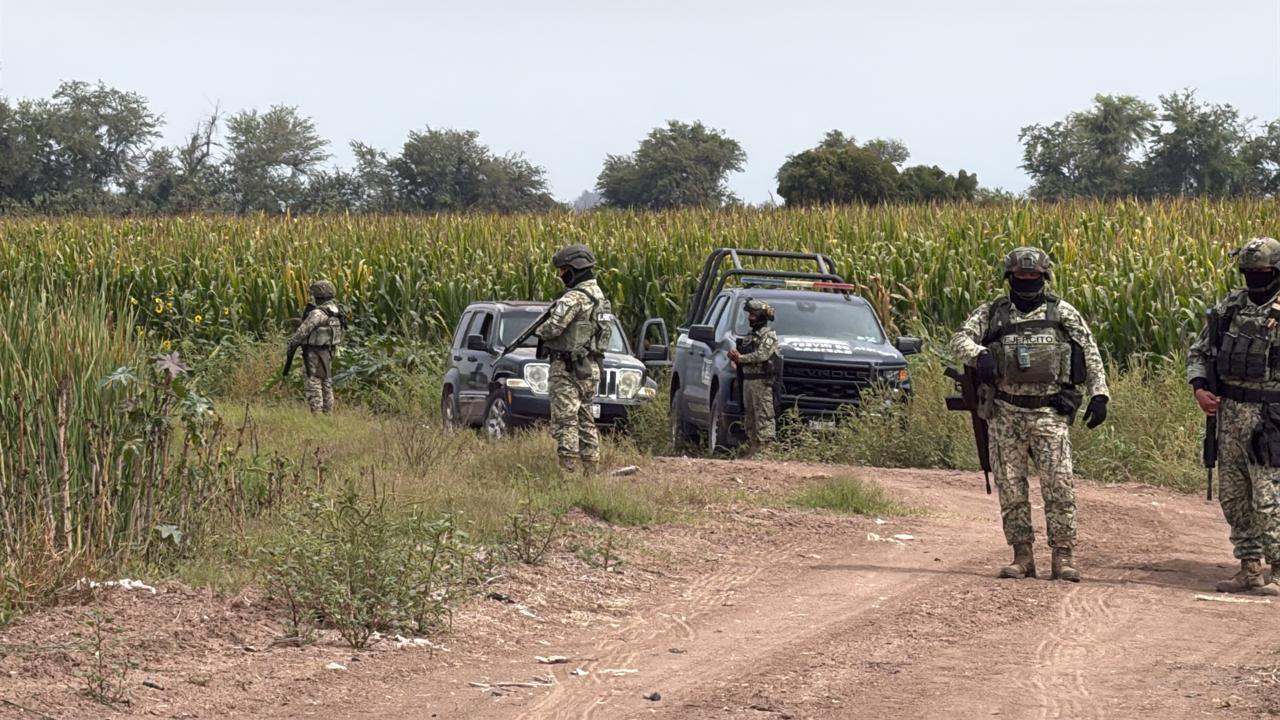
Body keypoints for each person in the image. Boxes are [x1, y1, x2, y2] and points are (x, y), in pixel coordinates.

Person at [949, 247, 1109, 582]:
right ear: (1010, 279)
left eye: (1032, 277)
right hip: (1005, 412)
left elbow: (1089, 351)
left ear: (1043, 278)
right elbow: (958, 340)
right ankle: (1022, 556)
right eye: (1020, 277)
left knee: (1059, 487)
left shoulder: (1061, 311)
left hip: (1050, 413)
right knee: (1011, 488)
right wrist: (980, 355)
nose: (1026, 283)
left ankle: (1063, 558)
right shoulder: (993, 313)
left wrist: (1099, 394)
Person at [1187, 236, 1280, 596]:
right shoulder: (1230, 307)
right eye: (1248, 271)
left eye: (1261, 272)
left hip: (1270, 417)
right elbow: (1198, 351)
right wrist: (1199, 388)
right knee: (1234, 497)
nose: (1254, 278)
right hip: (1229, 416)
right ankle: (1250, 567)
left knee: (1269, 499)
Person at [536, 244, 612, 474]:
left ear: (575, 269)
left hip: (567, 368)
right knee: (587, 419)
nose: (561, 275)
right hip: (590, 367)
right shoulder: (600, 297)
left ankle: (568, 474)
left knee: (566, 421)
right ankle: (591, 472)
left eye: (563, 270)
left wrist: (540, 331)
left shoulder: (574, 297)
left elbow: (553, 328)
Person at [728, 298, 780, 453]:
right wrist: (735, 359)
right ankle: (753, 450)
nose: (750, 318)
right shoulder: (750, 336)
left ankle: (766, 452)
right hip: (748, 382)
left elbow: (762, 355)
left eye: (753, 315)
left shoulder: (768, 336)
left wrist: (741, 359)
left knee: (764, 418)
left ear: (761, 317)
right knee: (750, 419)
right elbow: (744, 354)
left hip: (761, 383)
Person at [286, 280, 346, 414]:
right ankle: (328, 414)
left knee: (313, 382)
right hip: (329, 351)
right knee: (326, 382)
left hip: (314, 352)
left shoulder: (318, 313)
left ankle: (317, 415)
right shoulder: (336, 310)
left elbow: (302, 332)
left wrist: (292, 345)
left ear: (319, 295)